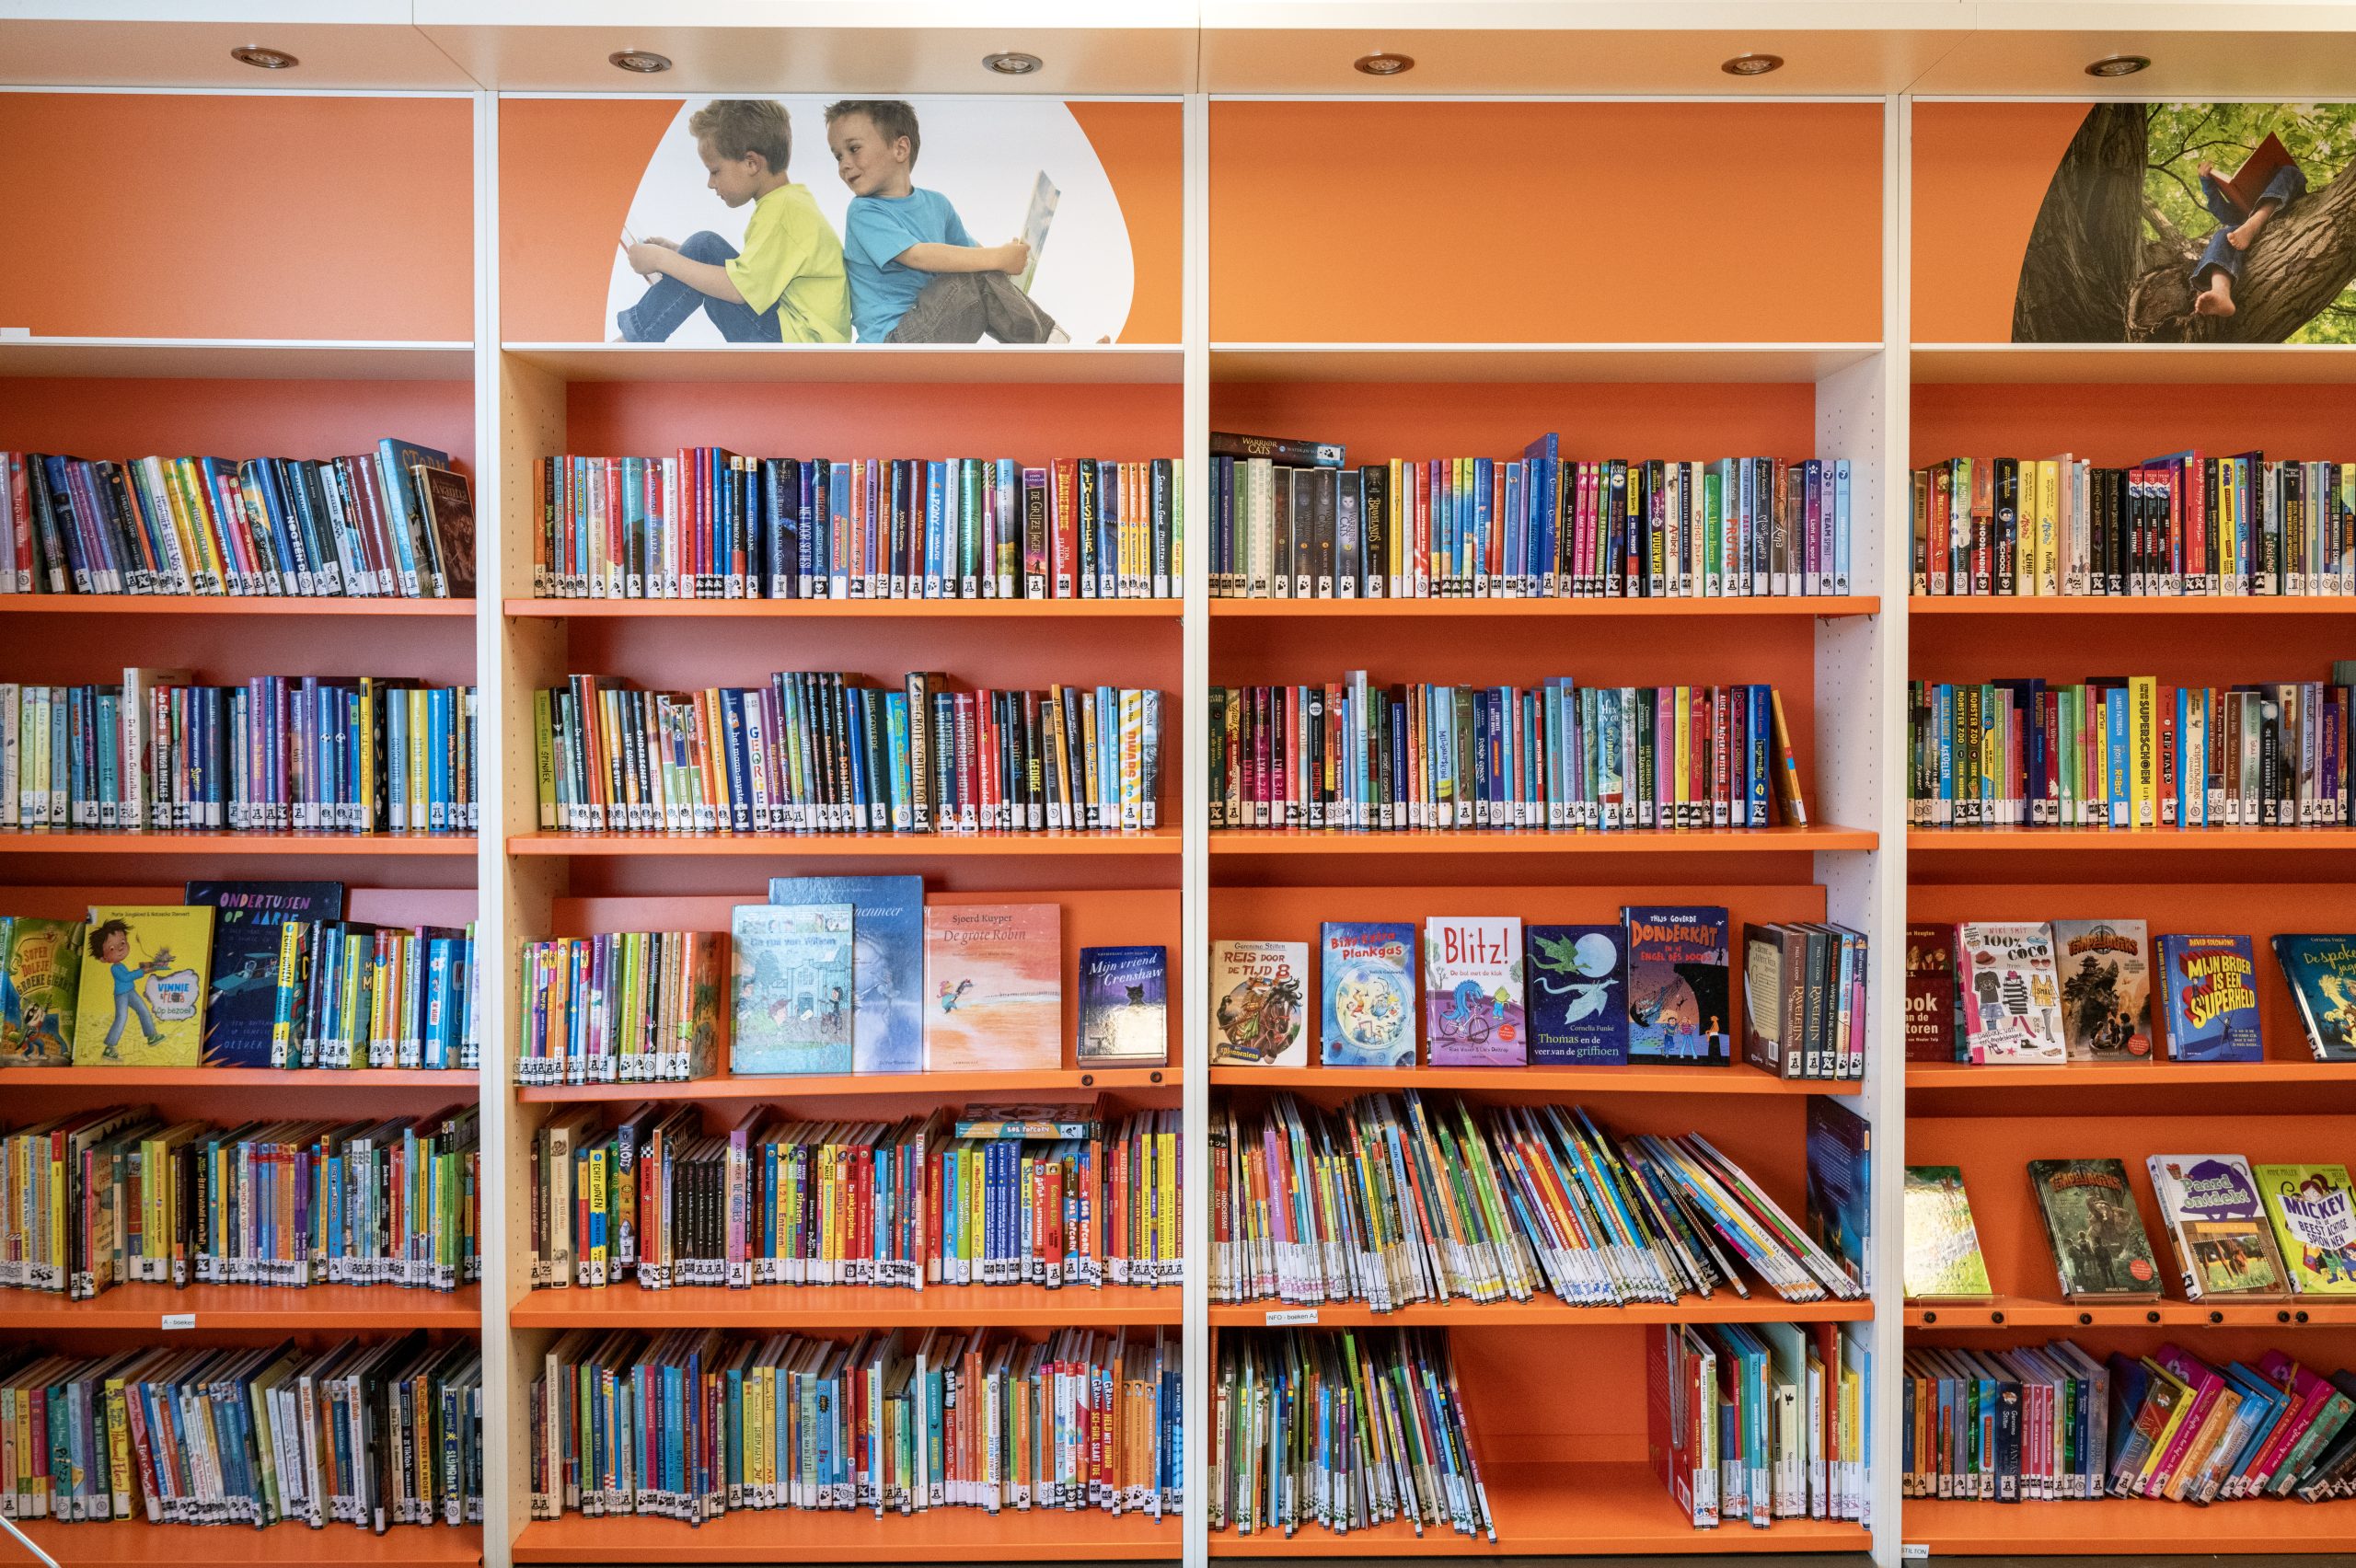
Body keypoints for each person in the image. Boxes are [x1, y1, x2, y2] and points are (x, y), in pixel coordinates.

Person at [823, 99, 1068, 345]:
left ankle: (1046, 350)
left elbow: (974, 254)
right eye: (838, 156)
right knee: (976, 273)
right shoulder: (864, 212)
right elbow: (918, 256)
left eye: (854, 149)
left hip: (934, 326)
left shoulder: (937, 204)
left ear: (900, 149)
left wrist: (1007, 260)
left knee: (982, 270)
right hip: (894, 342)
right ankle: (1054, 345)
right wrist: (998, 257)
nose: (844, 164)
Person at [617, 100, 851, 344]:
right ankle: (638, 334)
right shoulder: (789, 202)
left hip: (794, 344)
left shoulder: (782, 211)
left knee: (704, 246)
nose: (710, 183)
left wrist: (662, 260)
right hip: (794, 336)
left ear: (751, 163)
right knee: (701, 251)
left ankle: (635, 338)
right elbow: (754, 275)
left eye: (715, 171)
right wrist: (681, 255)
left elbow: (738, 290)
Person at [2192, 153, 2307, 319]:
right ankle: (2220, 291)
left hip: (2284, 208)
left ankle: (2256, 221)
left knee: (2290, 171)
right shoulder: (2240, 210)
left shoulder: (2286, 177)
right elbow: (2222, 212)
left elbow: (2293, 178)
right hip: (2246, 222)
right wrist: (2207, 183)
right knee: (2225, 233)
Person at [87, 917, 170, 1056]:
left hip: (130, 992)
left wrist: (151, 967)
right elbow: (126, 977)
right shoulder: (115, 968)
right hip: (121, 995)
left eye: (123, 943)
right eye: (112, 948)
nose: (120, 948)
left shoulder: (120, 965)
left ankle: (151, 1036)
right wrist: (144, 971)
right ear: (103, 958)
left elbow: (130, 976)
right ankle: (109, 1047)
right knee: (121, 1017)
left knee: (143, 1010)